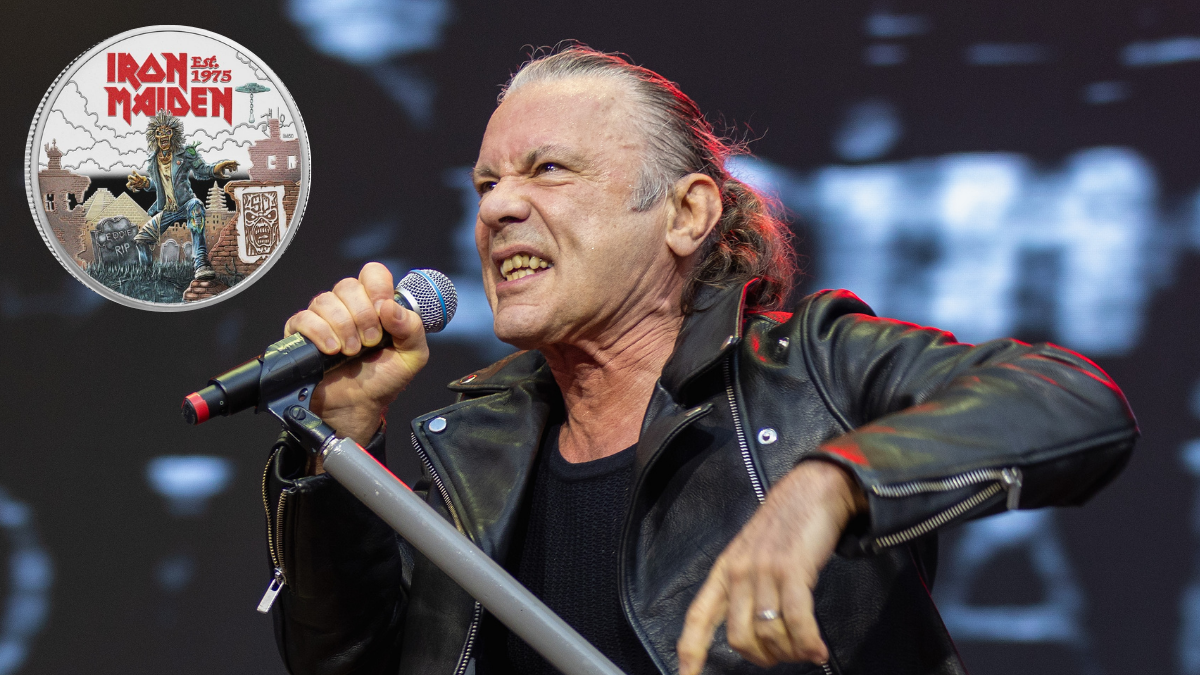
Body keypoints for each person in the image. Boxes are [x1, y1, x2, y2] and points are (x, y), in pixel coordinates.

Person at [262, 46, 1137, 675]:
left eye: (548, 170)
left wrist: (832, 482)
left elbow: (1072, 401)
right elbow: (347, 661)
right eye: (487, 184)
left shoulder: (811, 370)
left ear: (686, 214)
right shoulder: (475, 447)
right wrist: (342, 444)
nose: (497, 209)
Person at [126, 110, 238, 280]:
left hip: (186, 204)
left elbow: (202, 170)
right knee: (142, 239)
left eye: (167, 131)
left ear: (174, 134)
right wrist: (145, 183)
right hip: (167, 210)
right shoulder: (153, 160)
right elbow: (159, 185)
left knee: (196, 206)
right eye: (159, 133)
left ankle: (200, 263)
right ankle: (146, 275)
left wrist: (216, 168)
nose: (163, 136)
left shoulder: (185, 154)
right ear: (154, 137)